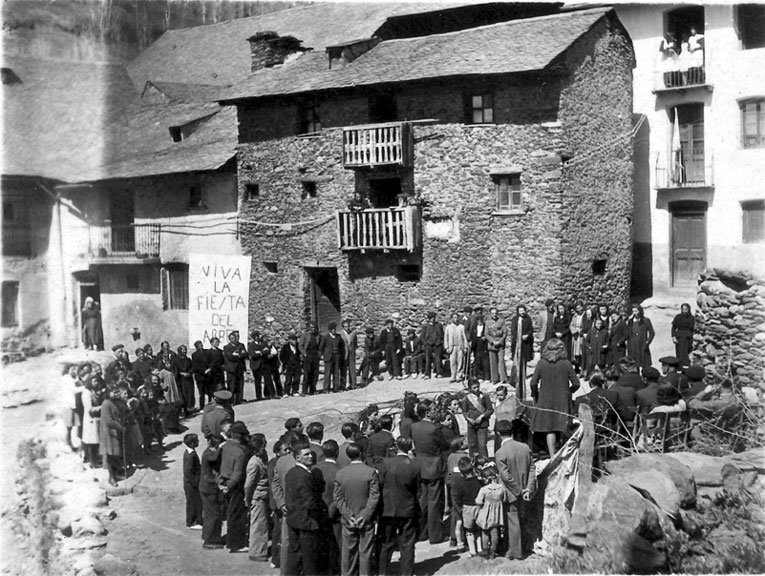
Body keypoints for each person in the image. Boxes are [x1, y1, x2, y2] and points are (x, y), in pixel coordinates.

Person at [333, 443, 380, 576]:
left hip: (348, 520)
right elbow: (374, 496)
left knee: (348, 553)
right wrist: (365, 515)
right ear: (361, 454)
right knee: (365, 552)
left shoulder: (340, 473)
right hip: (366, 520)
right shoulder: (370, 472)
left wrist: (348, 516)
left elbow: (338, 498)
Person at [284, 440, 328, 576]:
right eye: (307, 455)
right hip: (307, 522)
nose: (310, 456)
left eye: (311, 454)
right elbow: (309, 501)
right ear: (298, 458)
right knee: (309, 560)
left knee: (295, 556)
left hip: (293, 519)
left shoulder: (291, 472)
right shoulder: (305, 475)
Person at [377, 436, 420, 576]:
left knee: (386, 543)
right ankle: (407, 572)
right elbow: (418, 491)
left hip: (387, 509)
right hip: (407, 508)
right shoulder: (414, 465)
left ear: (397, 446)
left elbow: (380, 484)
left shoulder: (386, 463)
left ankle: (382, 571)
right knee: (407, 544)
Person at [529, 338, 580, 458]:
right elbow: (576, 383)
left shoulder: (542, 363)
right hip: (562, 399)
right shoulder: (566, 364)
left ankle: (552, 456)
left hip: (545, 399)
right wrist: (569, 392)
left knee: (550, 428)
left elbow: (533, 382)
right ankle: (565, 454)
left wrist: (535, 393)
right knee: (563, 426)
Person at [494, 419, 536, 560]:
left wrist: (518, 490)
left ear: (498, 433)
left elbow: (505, 476)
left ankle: (515, 552)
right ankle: (523, 546)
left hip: (511, 493)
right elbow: (532, 468)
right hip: (525, 491)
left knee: (512, 522)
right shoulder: (525, 447)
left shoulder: (500, 452)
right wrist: (528, 489)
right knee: (522, 519)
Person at [410, 400, 449, 544]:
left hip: (420, 465)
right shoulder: (433, 429)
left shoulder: (414, 427)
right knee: (435, 503)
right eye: (433, 409)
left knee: (423, 501)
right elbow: (444, 445)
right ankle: (435, 535)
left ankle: (422, 532)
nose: (436, 411)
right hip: (434, 467)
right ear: (427, 412)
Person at [220, 421, 249, 553]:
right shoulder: (240, 452)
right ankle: (236, 544)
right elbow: (237, 474)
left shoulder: (225, 446)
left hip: (224, 480)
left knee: (230, 513)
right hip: (234, 485)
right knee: (237, 514)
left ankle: (231, 541)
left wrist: (223, 484)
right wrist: (230, 486)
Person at [315, 439, 342, 574]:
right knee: (335, 546)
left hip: (318, 512)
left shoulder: (315, 468)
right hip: (335, 513)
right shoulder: (340, 470)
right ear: (337, 452)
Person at [244, 433, 270, 562]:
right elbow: (248, 485)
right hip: (257, 497)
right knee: (258, 525)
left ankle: (260, 550)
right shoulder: (254, 463)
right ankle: (257, 552)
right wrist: (247, 499)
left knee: (262, 524)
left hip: (263, 495)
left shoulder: (262, 457)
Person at [451, 456, 482, 558]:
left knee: (469, 530)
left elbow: (457, 498)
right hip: (478, 507)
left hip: (467, 508)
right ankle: (480, 548)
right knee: (478, 529)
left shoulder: (461, 484)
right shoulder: (478, 482)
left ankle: (472, 551)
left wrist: (459, 509)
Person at [475, 463, 506, 559]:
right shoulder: (501, 488)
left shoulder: (484, 489)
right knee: (494, 533)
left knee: (485, 533)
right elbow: (504, 500)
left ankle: (485, 550)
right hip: (497, 515)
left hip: (485, 515)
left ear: (485, 478)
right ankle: (493, 551)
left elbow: (478, 501)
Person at [100, 384, 128, 487]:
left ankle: (116, 474)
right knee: (111, 454)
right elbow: (109, 421)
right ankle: (111, 478)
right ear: (108, 393)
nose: (116, 394)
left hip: (116, 431)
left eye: (117, 392)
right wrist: (120, 427)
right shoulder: (106, 404)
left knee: (116, 453)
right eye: (114, 392)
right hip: (109, 433)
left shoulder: (116, 402)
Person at [200, 433, 225, 549]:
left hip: (208, 487)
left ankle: (210, 537)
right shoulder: (208, 454)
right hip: (209, 488)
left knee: (212, 514)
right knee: (213, 514)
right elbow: (213, 458)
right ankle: (210, 540)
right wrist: (221, 447)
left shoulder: (209, 452)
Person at [462, 378, 493, 458]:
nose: (477, 389)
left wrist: (482, 416)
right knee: (472, 444)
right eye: (474, 388)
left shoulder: (485, 396)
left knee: (482, 444)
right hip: (471, 425)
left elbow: (490, 410)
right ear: (470, 389)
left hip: (482, 424)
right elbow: (464, 411)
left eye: (477, 387)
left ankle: (484, 461)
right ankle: (473, 461)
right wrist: (468, 419)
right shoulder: (467, 398)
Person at [509, 305, 534, 398]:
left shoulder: (528, 319)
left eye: (523, 310)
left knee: (524, 358)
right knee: (517, 358)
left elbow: (531, 329)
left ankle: (524, 373)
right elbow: (513, 330)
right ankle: (517, 374)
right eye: (520, 310)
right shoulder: (515, 319)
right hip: (517, 342)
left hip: (526, 343)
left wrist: (527, 335)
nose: (522, 312)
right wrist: (518, 337)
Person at [182, 433, 203, 530]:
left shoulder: (190, 452)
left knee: (194, 502)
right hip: (191, 484)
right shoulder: (190, 456)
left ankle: (194, 520)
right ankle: (191, 522)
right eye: (196, 441)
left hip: (190, 483)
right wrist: (195, 482)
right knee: (192, 503)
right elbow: (188, 472)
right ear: (192, 444)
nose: (198, 442)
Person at [80, 377, 102, 468]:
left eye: (97, 381)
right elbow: (89, 409)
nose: (96, 383)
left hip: (95, 419)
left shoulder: (92, 391)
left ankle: (95, 459)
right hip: (91, 420)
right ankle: (93, 462)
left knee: (95, 441)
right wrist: (102, 407)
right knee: (92, 442)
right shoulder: (86, 393)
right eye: (94, 381)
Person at [627, 304, 655, 372]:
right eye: (633, 311)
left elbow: (652, 333)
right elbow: (628, 333)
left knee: (645, 363)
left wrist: (647, 342)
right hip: (633, 345)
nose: (635, 313)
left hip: (642, 344)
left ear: (640, 311)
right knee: (635, 364)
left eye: (636, 311)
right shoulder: (630, 321)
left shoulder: (646, 320)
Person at [223, 331, 248, 404]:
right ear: (229, 339)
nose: (234, 339)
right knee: (231, 385)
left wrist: (238, 355)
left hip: (240, 368)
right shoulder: (227, 347)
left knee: (240, 385)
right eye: (232, 338)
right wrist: (239, 355)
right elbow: (230, 357)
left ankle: (239, 399)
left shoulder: (241, 345)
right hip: (231, 369)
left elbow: (245, 354)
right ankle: (231, 401)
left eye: (235, 338)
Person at [61, 364, 82, 452]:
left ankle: (71, 444)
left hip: (72, 405)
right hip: (68, 406)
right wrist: (85, 388)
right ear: (67, 370)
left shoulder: (72, 378)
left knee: (73, 425)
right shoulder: (66, 378)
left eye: (75, 369)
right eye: (72, 369)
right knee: (69, 426)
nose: (74, 370)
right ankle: (68, 444)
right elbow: (73, 390)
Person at [320, 322, 345, 393]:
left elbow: (341, 347)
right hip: (328, 357)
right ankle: (326, 389)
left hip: (336, 356)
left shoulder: (338, 336)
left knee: (336, 373)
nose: (334, 330)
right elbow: (321, 347)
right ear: (329, 330)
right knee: (327, 373)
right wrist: (322, 355)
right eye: (332, 329)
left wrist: (341, 355)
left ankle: (335, 388)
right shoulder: (325, 337)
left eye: (335, 329)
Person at [486, 307, 508, 385]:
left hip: (500, 344)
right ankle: (494, 378)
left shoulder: (501, 321)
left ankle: (503, 378)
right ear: (490, 314)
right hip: (492, 344)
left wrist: (500, 341)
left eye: (495, 313)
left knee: (501, 361)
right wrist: (492, 341)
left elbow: (505, 333)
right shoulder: (488, 322)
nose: (494, 315)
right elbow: (486, 334)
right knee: (493, 362)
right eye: (492, 313)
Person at [445, 313, 468, 383]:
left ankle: (459, 376)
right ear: (452, 318)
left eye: (457, 317)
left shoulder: (461, 327)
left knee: (460, 361)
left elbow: (464, 337)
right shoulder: (448, 327)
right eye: (454, 317)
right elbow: (446, 338)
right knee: (452, 362)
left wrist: (465, 347)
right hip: (452, 346)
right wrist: (446, 347)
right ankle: (453, 376)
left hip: (460, 346)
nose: (456, 319)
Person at [421, 311, 444, 379]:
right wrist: (425, 343)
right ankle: (427, 374)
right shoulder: (425, 326)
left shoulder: (439, 325)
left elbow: (442, 335)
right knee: (427, 360)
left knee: (438, 359)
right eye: (431, 318)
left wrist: (440, 342)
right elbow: (422, 336)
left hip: (437, 344)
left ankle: (439, 372)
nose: (433, 319)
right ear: (428, 319)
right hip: (428, 344)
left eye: (434, 318)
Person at [300, 324, 322, 395]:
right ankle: (304, 391)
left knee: (315, 374)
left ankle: (313, 390)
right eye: (311, 327)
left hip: (315, 355)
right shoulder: (305, 335)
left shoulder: (318, 335)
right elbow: (300, 345)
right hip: (308, 354)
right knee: (307, 373)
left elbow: (320, 346)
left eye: (314, 327)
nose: (312, 329)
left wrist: (319, 354)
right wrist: (304, 353)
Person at [671, 303, 695, 368]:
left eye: (686, 309)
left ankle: (686, 369)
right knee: (679, 354)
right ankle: (679, 368)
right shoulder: (678, 317)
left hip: (688, 339)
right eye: (683, 309)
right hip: (679, 338)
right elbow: (673, 327)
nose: (684, 311)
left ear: (689, 309)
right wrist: (673, 337)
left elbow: (693, 329)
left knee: (686, 354)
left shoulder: (692, 318)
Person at [175, 345, 196, 417]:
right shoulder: (176, 360)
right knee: (182, 395)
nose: (184, 351)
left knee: (189, 395)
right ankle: (182, 410)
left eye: (185, 349)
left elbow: (192, 368)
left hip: (188, 379)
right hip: (181, 380)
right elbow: (175, 370)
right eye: (182, 350)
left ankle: (189, 410)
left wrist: (189, 373)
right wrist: (181, 373)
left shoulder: (188, 360)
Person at [279, 332, 302, 397]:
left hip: (297, 364)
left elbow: (300, 354)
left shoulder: (298, 346)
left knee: (296, 378)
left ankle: (295, 391)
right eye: (293, 339)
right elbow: (281, 356)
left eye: (295, 339)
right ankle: (286, 392)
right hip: (289, 365)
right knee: (288, 379)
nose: (295, 341)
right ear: (290, 340)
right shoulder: (286, 347)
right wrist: (285, 362)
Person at [191, 340, 212, 410]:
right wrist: (203, 371)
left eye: (201, 344)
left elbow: (211, 361)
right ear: (196, 347)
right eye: (199, 345)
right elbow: (195, 367)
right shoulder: (194, 355)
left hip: (208, 375)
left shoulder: (208, 352)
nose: (201, 346)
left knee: (210, 392)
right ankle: (202, 407)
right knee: (201, 393)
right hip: (200, 376)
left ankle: (210, 404)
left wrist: (209, 369)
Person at [339, 319, 358, 390]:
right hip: (344, 353)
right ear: (343, 327)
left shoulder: (353, 333)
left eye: (348, 326)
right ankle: (343, 385)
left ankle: (353, 384)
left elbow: (355, 343)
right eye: (346, 327)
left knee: (352, 369)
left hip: (351, 353)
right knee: (343, 369)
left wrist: (353, 350)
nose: (347, 328)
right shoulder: (340, 334)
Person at [470, 315, 489, 381]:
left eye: (481, 321)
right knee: (477, 361)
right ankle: (479, 376)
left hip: (483, 345)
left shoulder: (485, 327)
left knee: (485, 362)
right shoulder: (474, 327)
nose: (479, 322)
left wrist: (485, 338)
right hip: (476, 344)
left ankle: (486, 377)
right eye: (478, 321)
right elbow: (472, 335)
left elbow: (487, 334)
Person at [569, 302, 586, 374]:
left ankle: (582, 367)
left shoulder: (585, 315)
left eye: (580, 307)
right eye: (577, 308)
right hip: (575, 335)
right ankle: (576, 367)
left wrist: (581, 331)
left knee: (581, 351)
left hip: (582, 335)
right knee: (575, 351)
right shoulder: (575, 316)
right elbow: (571, 325)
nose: (579, 309)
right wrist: (574, 330)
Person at [248, 330, 264, 401]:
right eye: (256, 336)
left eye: (258, 336)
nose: (257, 337)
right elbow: (253, 355)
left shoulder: (262, 343)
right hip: (256, 365)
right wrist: (261, 353)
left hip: (262, 364)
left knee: (266, 379)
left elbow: (266, 350)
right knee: (257, 381)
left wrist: (259, 352)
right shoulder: (251, 345)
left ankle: (268, 394)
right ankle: (258, 396)